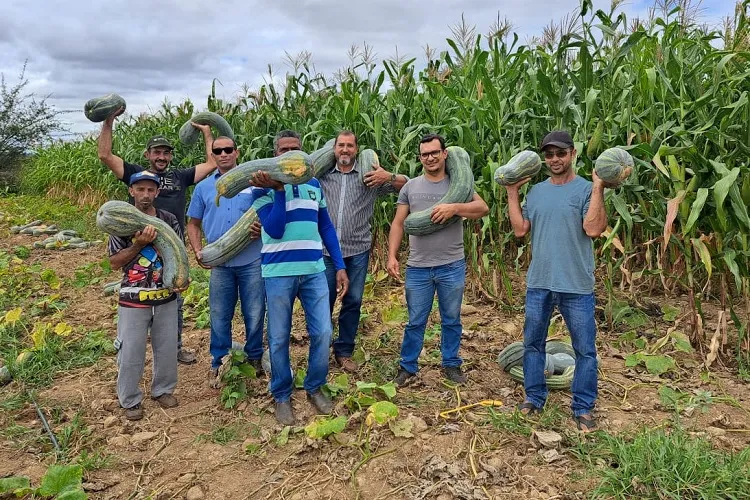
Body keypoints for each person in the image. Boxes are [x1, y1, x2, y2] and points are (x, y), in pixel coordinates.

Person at [503, 130, 629, 433]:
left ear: (573, 154)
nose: (554, 159)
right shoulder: (537, 192)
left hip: (576, 284)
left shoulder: (586, 189)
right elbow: (520, 230)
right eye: (549, 155)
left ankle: (583, 407)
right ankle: (534, 398)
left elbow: (594, 229)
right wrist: (511, 191)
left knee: (585, 350)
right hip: (540, 282)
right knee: (533, 344)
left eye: (561, 153)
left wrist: (598, 186)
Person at [98, 109, 217, 364]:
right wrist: (108, 121)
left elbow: (212, 163)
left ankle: (173, 348)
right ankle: (138, 350)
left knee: (174, 300)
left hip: (173, 245)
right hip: (141, 248)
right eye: (156, 152)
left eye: (165, 153)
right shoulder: (138, 176)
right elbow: (105, 156)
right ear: (148, 155)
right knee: (142, 298)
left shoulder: (179, 176)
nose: (161, 157)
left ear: (170, 156)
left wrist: (207, 132)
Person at [250, 152, 349, 425]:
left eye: (294, 150)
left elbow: (325, 226)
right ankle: (281, 394)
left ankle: (314, 386)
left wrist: (339, 265)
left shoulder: (314, 185)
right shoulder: (259, 189)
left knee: (323, 332)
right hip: (278, 274)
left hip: (314, 271)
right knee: (279, 337)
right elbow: (275, 228)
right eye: (282, 151)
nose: (288, 156)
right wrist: (279, 190)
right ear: (275, 156)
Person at [387, 134, 489, 386]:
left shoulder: (459, 186)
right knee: (415, 320)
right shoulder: (411, 186)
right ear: (420, 158)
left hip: (451, 264)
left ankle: (451, 364)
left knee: (451, 318)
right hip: (418, 266)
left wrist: (454, 208)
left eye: (435, 152)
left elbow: (483, 208)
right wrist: (391, 255)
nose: (430, 157)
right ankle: (408, 366)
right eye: (425, 154)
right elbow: (400, 223)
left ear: (445, 154)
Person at [317, 130, 408, 373]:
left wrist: (388, 175)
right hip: (325, 251)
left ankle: (344, 351)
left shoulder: (370, 177)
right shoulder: (322, 176)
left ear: (356, 150)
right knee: (323, 300)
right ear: (333, 149)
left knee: (353, 300)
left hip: (357, 249)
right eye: (340, 146)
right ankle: (320, 351)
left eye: (349, 146)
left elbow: (407, 187)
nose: (345, 150)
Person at [107, 170, 186, 420]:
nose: (145, 194)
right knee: (131, 350)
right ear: (131, 191)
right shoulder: (120, 221)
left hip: (166, 295)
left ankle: (163, 390)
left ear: (157, 192)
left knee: (166, 348)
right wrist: (139, 244)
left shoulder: (169, 219)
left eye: (150, 190)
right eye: (140, 189)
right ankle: (129, 399)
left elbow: (179, 253)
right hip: (133, 297)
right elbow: (114, 262)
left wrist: (182, 278)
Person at [186, 136, 265, 382]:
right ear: (213, 155)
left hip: (252, 260)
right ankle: (219, 361)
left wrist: (262, 227)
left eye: (228, 149)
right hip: (220, 263)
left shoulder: (254, 184)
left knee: (254, 313)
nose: (223, 154)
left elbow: (268, 213)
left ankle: (253, 358)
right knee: (220, 316)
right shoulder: (204, 187)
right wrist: (198, 250)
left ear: (236, 152)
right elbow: (193, 224)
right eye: (217, 151)